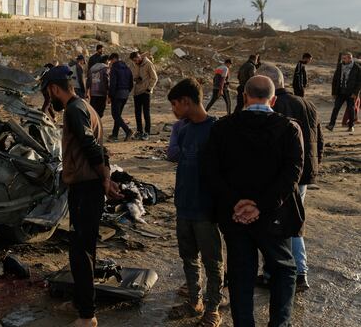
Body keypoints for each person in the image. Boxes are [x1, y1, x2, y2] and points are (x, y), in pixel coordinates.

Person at [204, 75, 304, 327]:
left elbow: (211, 172)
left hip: (234, 216)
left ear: (245, 96)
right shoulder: (289, 128)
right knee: (283, 270)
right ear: (273, 99)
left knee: (240, 274)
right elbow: (292, 173)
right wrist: (261, 205)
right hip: (275, 216)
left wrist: (237, 204)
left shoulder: (222, 127)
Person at [40, 65, 122, 327]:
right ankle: (80, 302)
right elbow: (101, 147)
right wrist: (105, 175)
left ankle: (87, 315)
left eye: (48, 94)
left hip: (86, 189)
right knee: (84, 248)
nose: (49, 100)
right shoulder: (85, 106)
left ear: (54, 89)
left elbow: (90, 146)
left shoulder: (74, 111)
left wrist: (105, 178)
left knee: (80, 251)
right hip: (89, 186)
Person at [257, 64, 323, 291]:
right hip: (304, 174)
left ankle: (272, 273)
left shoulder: (272, 106)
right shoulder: (308, 104)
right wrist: (313, 169)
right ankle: (300, 273)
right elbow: (319, 140)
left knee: (275, 224)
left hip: (282, 176)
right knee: (294, 221)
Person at [166, 78, 222, 327]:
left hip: (206, 210)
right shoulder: (185, 129)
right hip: (184, 206)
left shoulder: (217, 130)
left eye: (174, 105)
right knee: (188, 257)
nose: (173, 110)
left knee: (212, 262)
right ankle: (194, 301)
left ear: (186, 102)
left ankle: (212, 309)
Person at [327, 52, 361, 132]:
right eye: (343, 58)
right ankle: (331, 125)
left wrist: (355, 93)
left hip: (350, 93)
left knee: (351, 109)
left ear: (350, 58)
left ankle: (351, 126)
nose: (343, 60)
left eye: (345, 58)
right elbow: (335, 79)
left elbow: (359, 82)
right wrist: (334, 92)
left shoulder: (357, 68)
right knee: (336, 109)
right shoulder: (340, 66)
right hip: (340, 92)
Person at [130, 51, 158, 140]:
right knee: (137, 113)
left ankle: (147, 132)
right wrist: (136, 79)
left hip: (146, 92)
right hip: (137, 92)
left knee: (146, 113)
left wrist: (149, 88)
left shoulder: (148, 64)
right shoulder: (134, 65)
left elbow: (155, 78)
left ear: (139, 57)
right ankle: (139, 131)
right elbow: (134, 76)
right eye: (134, 60)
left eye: (137, 59)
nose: (136, 61)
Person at [108, 53, 133, 141]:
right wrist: (127, 91)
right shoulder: (127, 68)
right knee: (118, 115)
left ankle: (128, 131)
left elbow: (113, 84)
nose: (110, 63)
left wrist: (110, 95)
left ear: (114, 59)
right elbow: (131, 83)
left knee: (115, 115)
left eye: (110, 61)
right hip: (125, 94)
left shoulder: (114, 68)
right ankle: (115, 134)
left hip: (117, 94)